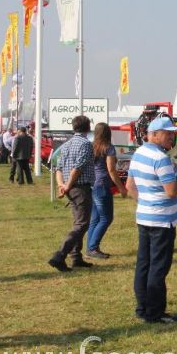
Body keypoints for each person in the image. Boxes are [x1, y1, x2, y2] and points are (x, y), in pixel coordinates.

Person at [126, 117, 177, 323]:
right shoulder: (161, 159)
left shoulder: (139, 153)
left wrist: (146, 202)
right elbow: (171, 191)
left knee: (144, 264)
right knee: (158, 267)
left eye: (172, 132)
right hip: (162, 221)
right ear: (153, 135)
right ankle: (155, 312)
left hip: (145, 217)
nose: (172, 136)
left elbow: (130, 187)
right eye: (167, 133)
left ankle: (142, 307)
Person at [48, 116, 95, 272]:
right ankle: (60, 255)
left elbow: (58, 167)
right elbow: (78, 167)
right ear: (88, 128)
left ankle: (76, 258)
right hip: (80, 187)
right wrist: (67, 185)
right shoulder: (86, 144)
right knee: (82, 224)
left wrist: (62, 185)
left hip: (70, 188)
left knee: (77, 223)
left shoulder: (66, 145)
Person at [86, 123, 128, 259]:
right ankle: (93, 248)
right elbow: (111, 169)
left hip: (93, 184)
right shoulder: (108, 148)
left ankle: (90, 248)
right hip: (103, 185)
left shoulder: (91, 147)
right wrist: (121, 188)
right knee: (106, 218)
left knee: (95, 219)